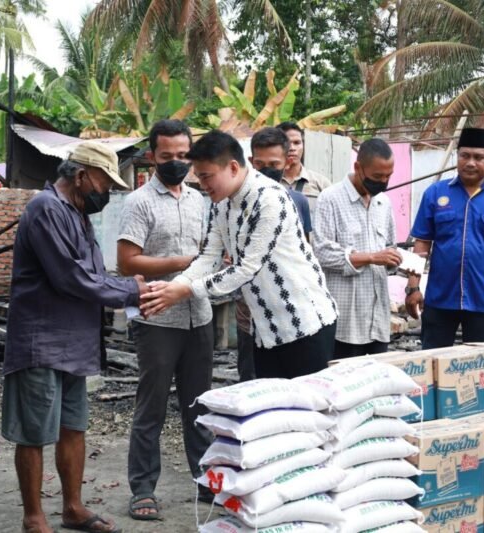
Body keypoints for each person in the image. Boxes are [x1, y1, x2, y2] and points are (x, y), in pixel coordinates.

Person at [2, 142, 147, 533]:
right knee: (34, 432)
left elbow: (95, 275)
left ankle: (72, 508)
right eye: (103, 182)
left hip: (75, 342)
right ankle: (34, 517)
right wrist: (132, 291)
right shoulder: (46, 209)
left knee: (73, 427)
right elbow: (73, 278)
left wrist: (125, 287)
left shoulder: (78, 214)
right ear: (81, 175)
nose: (107, 192)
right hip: (42, 340)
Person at [141, 130, 338, 379]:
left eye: (206, 176)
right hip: (266, 328)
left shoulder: (270, 198)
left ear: (233, 167)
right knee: (273, 410)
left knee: (309, 409)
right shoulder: (221, 203)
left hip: (304, 323)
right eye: (199, 176)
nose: (202, 184)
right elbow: (209, 257)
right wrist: (177, 284)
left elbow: (246, 269)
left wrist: (187, 290)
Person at [116, 120, 214, 520]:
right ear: (152, 156)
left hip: (199, 314)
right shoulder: (138, 202)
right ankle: (142, 488)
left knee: (200, 406)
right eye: (166, 155)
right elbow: (126, 262)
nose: (175, 162)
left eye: (182, 155)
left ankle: (207, 481)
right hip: (157, 319)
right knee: (152, 407)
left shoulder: (200, 200)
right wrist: (181, 263)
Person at [405, 127, 484, 348]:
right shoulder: (435, 194)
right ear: (457, 156)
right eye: (465, 155)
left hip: (483, 298)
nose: (470, 162)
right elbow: (422, 242)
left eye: (479, 157)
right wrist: (413, 287)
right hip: (440, 298)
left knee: (480, 366)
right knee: (433, 360)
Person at [234, 127, 314, 381]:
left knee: (294, 381)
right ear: (251, 162)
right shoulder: (234, 203)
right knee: (253, 378)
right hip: (252, 309)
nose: (267, 169)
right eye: (261, 164)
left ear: (286, 162)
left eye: (274, 164)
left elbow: (306, 252)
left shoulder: (297, 201)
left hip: (292, 307)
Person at [314, 138, 400, 358]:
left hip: (378, 318)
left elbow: (390, 246)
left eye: (388, 176)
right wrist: (372, 257)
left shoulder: (384, 203)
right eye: (377, 177)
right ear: (358, 167)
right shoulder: (330, 199)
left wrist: (395, 259)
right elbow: (322, 253)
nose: (383, 182)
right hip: (346, 320)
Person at [278, 121, 332, 208]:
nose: (292, 148)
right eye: (286, 143)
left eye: (297, 143)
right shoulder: (268, 182)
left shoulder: (321, 183)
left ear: (303, 145)